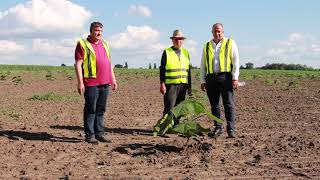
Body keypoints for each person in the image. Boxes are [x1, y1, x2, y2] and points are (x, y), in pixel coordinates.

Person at [74, 21, 117, 143]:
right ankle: (90, 135)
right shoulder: (83, 44)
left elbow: (109, 63)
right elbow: (78, 64)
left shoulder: (105, 44)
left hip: (105, 81)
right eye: (97, 30)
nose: (99, 33)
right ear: (91, 31)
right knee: (90, 108)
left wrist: (113, 78)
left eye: (101, 31)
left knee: (101, 109)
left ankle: (99, 133)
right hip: (91, 82)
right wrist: (80, 82)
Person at [200, 23, 239, 138]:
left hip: (225, 77)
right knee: (214, 105)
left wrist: (235, 78)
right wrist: (203, 80)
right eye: (215, 31)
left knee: (228, 104)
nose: (217, 33)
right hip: (211, 78)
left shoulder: (230, 43)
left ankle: (231, 129)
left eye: (219, 31)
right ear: (212, 32)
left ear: (223, 32)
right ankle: (218, 127)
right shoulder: (207, 45)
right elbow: (203, 65)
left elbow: (236, 61)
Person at [159, 29, 192, 125]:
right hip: (170, 85)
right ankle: (166, 126)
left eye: (180, 39)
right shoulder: (167, 52)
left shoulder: (186, 53)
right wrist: (162, 84)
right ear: (173, 40)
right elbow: (162, 69)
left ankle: (176, 126)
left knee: (179, 108)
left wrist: (190, 87)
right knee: (169, 107)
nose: (178, 41)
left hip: (183, 85)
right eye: (176, 39)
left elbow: (188, 71)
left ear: (183, 40)